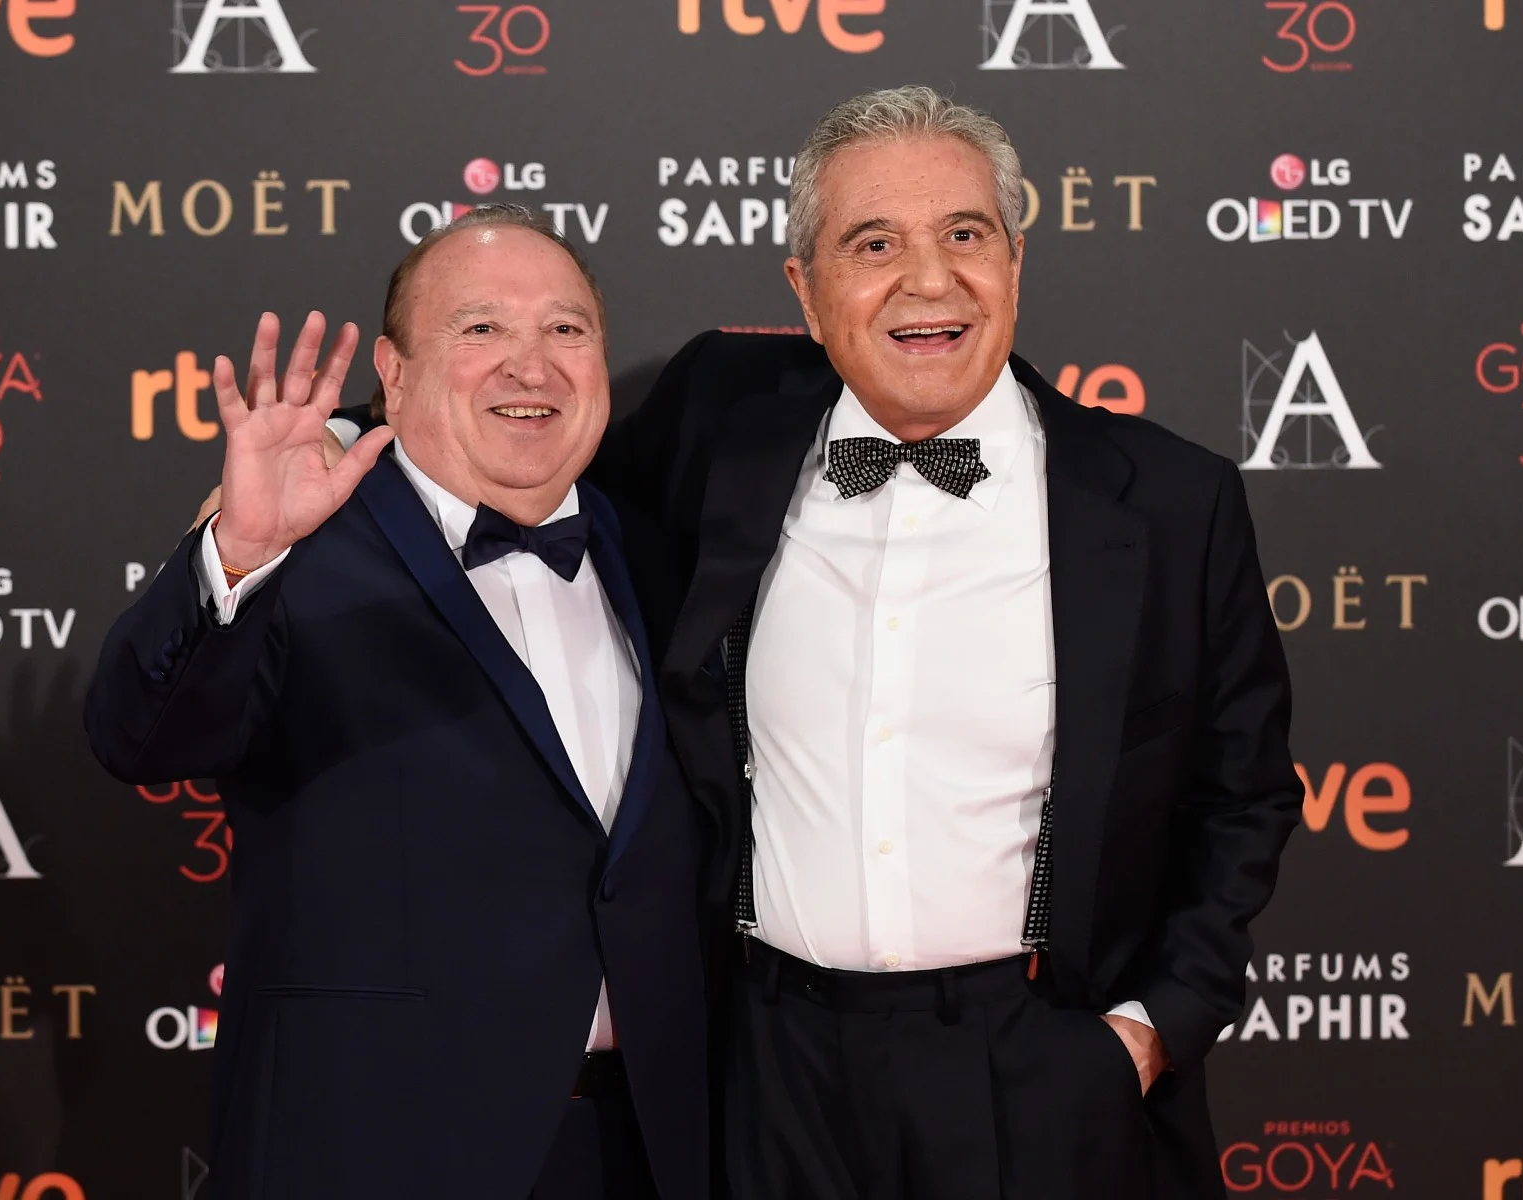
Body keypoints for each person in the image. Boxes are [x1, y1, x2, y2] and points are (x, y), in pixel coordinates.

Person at [333, 86, 1301, 1199]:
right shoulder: (720, 423)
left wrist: (1149, 1030)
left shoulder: (1169, 501)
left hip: (1039, 1061)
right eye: (874, 244)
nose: (929, 281)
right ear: (805, 287)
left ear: (1016, 261)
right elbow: (515, 439)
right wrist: (341, 437)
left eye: (965, 235)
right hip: (767, 1066)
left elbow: (1244, 793)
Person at [86, 206, 707, 1200]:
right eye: (480, 329)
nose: (531, 365)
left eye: (566, 328)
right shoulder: (301, 549)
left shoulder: (662, 551)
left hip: (642, 1150)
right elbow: (138, 736)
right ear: (396, 372)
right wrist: (242, 553)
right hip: (372, 1145)